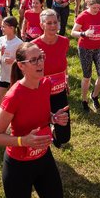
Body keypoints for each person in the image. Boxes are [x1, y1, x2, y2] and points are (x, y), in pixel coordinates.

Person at [0, 41, 69, 198]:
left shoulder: (46, 84)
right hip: (18, 165)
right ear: (21, 66)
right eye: (33, 60)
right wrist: (22, 141)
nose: (40, 63)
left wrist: (52, 118)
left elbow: (38, 112)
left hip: (44, 158)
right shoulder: (14, 96)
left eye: (41, 58)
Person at [33, 9, 72, 148]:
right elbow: (26, 72)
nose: (53, 25)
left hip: (59, 91)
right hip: (40, 93)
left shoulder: (64, 41)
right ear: (42, 24)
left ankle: (55, 132)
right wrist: (38, 61)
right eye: (49, 23)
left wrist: (65, 78)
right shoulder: (34, 46)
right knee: (41, 130)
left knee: (64, 136)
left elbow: (63, 61)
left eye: (55, 22)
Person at [71, 0, 100, 111]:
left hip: (99, 48)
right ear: (88, 5)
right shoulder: (83, 16)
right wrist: (84, 33)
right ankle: (84, 99)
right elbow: (73, 32)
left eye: (98, 7)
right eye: (94, 8)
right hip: (85, 48)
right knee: (87, 76)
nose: (96, 10)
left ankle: (94, 95)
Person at [0, 17, 22, 111]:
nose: (1, 28)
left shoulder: (19, 43)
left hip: (15, 77)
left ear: (12, 28)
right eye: (1, 26)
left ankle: (11, 123)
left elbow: (24, 62)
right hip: (3, 75)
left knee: (14, 105)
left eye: (4, 27)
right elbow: (0, 54)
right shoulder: (1, 39)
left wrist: (14, 61)